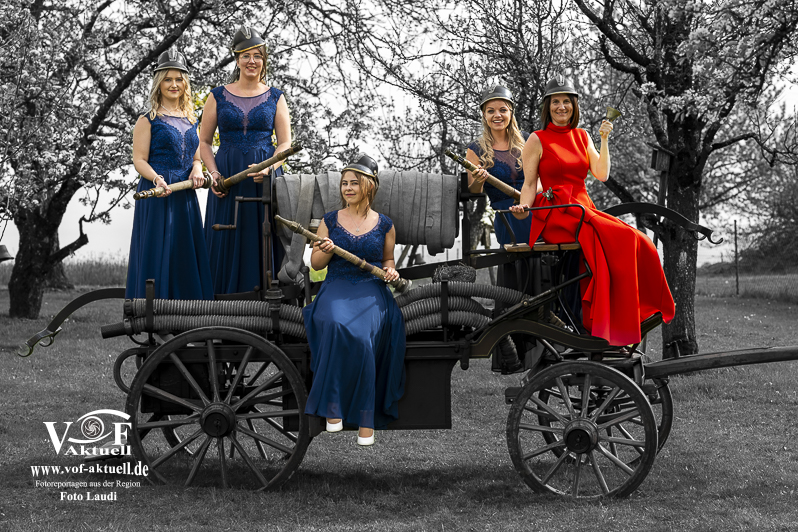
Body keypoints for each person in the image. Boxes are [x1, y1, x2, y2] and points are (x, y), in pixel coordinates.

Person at [510, 77, 675, 347]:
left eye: (566, 101)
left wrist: (604, 139)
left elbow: (601, 173)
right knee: (623, 237)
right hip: (557, 212)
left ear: (574, 106)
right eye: (555, 102)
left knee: (640, 240)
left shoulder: (582, 136)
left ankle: (637, 309)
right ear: (547, 107)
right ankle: (611, 319)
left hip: (582, 208)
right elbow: (529, 184)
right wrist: (524, 209)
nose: (561, 107)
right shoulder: (537, 139)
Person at [302, 154, 406, 446]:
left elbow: (388, 260)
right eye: (344, 183)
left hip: (371, 289)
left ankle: (365, 418)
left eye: (354, 183)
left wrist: (391, 271)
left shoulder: (385, 224)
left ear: (369, 186)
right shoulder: (329, 221)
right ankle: (332, 407)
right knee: (335, 324)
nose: (347, 188)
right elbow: (316, 264)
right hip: (337, 286)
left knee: (362, 337)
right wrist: (325, 250)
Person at [201, 26, 292, 294]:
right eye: (246, 55)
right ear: (237, 59)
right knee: (225, 235)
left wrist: (269, 168)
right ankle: (220, 306)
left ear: (264, 60)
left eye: (257, 56)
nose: (252, 61)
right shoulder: (216, 95)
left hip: (264, 179)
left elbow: (285, 143)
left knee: (262, 235)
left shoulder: (276, 97)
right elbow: (204, 142)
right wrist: (214, 175)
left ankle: (267, 304)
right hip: (226, 177)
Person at [126, 49, 214, 300]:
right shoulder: (147, 120)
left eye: (178, 79)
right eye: (167, 79)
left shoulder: (191, 120)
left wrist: (197, 169)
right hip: (158, 192)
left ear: (185, 83)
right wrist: (156, 179)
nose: (174, 84)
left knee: (183, 250)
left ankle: (188, 313)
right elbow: (139, 160)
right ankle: (155, 310)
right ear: (159, 83)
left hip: (184, 194)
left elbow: (196, 158)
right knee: (158, 249)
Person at [466, 85, 532, 373]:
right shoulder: (476, 149)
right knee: (515, 280)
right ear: (484, 114)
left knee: (542, 273)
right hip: (507, 217)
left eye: (502, 109)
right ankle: (515, 353)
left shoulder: (528, 141)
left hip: (535, 213)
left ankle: (547, 343)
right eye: (491, 110)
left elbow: (539, 179)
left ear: (511, 112)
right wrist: (480, 179)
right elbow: (473, 191)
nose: (497, 115)